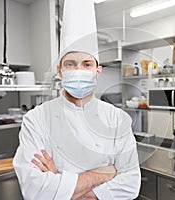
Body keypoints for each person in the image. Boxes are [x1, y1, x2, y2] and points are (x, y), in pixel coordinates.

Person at [13, 51, 141, 199]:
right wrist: (99, 175)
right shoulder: (36, 119)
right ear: (60, 71)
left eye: (87, 65)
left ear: (97, 72)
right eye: (70, 64)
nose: (79, 71)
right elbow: (33, 189)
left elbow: (130, 184)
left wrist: (60, 188)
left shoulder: (118, 118)